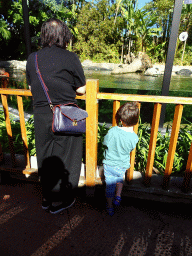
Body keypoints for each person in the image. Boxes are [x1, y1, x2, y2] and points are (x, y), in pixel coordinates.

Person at [26, 18, 86, 214]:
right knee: (67, 159)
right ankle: (60, 201)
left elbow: (30, 87)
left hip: (41, 115)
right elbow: (82, 89)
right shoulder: (70, 58)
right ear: (64, 36)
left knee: (46, 158)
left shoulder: (32, 58)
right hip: (65, 115)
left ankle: (46, 198)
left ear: (44, 35)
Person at [103, 102, 139, 216]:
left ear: (121, 119)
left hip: (109, 165)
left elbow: (105, 142)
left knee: (109, 186)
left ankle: (109, 206)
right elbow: (131, 147)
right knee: (119, 178)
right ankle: (118, 196)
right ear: (136, 120)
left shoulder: (113, 131)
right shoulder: (134, 137)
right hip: (122, 165)